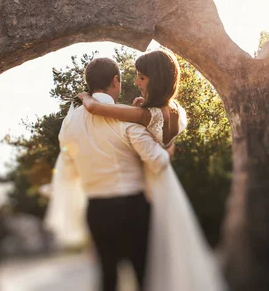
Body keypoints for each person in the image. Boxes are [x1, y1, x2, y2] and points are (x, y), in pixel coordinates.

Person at [76, 49, 226, 291]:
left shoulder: (144, 115)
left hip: (150, 184)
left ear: (155, 79)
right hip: (166, 183)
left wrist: (84, 97)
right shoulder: (175, 109)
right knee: (168, 252)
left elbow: (95, 108)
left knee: (150, 259)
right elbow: (168, 140)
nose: (136, 82)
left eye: (141, 77)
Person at [44, 57, 175, 291]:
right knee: (144, 275)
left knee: (107, 276)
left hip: (96, 209)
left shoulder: (69, 123)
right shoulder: (126, 118)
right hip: (132, 206)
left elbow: (69, 160)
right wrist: (170, 146)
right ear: (116, 81)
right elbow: (157, 161)